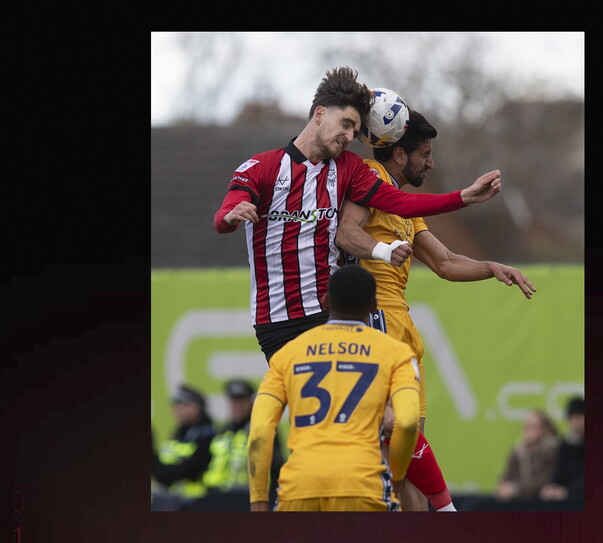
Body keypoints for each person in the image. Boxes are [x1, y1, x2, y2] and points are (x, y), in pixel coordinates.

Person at [213, 66, 503, 362]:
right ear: (320, 114)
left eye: (356, 129)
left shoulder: (349, 167)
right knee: (307, 407)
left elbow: (400, 203)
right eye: (347, 124)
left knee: (346, 404)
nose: (351, 136)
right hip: (275, 319)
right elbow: (223, 216)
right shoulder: (262, 167)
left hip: (330, 314)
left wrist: (463, 197)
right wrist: (231, 215)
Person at [334, 109, 537, 511]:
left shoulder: (403, 205)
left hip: (404, 331)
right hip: (378, 327)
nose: (432, 162)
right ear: (398, 155)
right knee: (387, 457)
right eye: (425, 153)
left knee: (409, 462)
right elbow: (346, 231)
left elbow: (444, 263)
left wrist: (491, 267)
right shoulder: (372, 178)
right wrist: (382, 250)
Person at [247, 265, 421, 511]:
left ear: (326, 302)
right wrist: (396, 479)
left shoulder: (288, 354)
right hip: (363, 487)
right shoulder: (397, 353)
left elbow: (261, 429)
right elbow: (407, 421)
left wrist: (258, 500)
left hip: (298, 489)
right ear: (373, 306)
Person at [183, 379, 284, 511]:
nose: (236, 406)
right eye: (233, 402)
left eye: (241, 402)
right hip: (218, 498)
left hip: (248, 499)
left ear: (251, 403)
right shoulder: (223, 432)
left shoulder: (262, 430)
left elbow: (275, 466)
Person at [151, 384, 216, 511]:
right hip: (168, 501)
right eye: (175, 406)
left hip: (196, 504)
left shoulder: (208, 435)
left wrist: (161, 470)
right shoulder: (178, 433)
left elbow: (190, 469)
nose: (176, 410)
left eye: (182, 405)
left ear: (196, 407)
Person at [495, 408, 560, 502]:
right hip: (518, 503)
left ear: (545, 429)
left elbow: (543, 482)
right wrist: (502, 486)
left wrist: (515, 489)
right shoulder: (517, 451)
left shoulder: (553, 450)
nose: (527, 430)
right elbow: (507, 476)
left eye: (532, 426)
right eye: (525, 426)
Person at [540, 396, 585, 502]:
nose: (575, 422)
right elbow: (558, 472)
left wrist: (567, 491)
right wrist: (551, 487)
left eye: (579, 417)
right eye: (572, 418)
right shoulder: (565, 445)